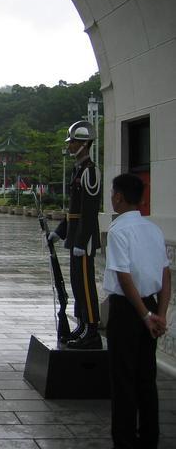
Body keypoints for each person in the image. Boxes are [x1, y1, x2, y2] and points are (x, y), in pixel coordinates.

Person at [104, 173, 171, 449]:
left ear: (119, 197)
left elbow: (124, 277)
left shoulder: (118, 230)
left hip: (127, 310)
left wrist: (144, 316)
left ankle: (125, 440)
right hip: (152, 306)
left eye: (112, 193)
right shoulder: (153, 230)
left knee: (123, 379)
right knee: (146, 378)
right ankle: (149, 438)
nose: (112, 197)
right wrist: (160, 314)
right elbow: (165, 274)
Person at [48, 120, 102, 349]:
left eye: (73, 142)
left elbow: (89, 211)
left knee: (86, 285)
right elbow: (73, 210)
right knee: (77, 283)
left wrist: (81, 240)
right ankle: (81, 324)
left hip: (84, 240)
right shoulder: (78, 169)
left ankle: (92, 330)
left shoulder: (91, 171)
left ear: (84, 144)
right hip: (75, 237)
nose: (69, 146)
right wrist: (59, 232)